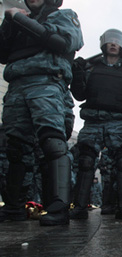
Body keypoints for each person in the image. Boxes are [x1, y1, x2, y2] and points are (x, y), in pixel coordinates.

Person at [0, 0, 83, 225]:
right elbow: (2, 53)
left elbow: (61, 42)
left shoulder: (63, 15)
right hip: (17, 85)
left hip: (46, 82)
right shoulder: (18, 20)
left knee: (52, 142)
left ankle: (59, 207)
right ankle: (14, 207)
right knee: (14, 148)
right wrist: (10, 23)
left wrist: (19, 19)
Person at [70, 28, 122, 220]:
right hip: (93, 120)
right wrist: (77, 73)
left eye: (117, 41)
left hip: (119, 120)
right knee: (86, 161)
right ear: (104, 44)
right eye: (110, 40)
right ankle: (80, 206)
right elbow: (79, 94)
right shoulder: (91, 68)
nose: (113, 43)